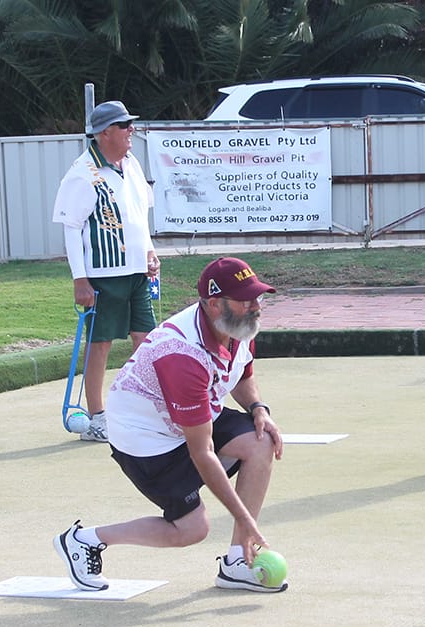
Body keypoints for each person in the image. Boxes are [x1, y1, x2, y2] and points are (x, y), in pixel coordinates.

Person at [54, 256, 288, 593]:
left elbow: (241, 375)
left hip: (184, 418)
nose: (255, 306)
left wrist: (257, 408)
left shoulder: (239, 325)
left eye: (257, 297)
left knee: (260, 439)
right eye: (245, 300)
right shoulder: (182, 355)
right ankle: (84, 540)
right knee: (192, 529)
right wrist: (245, 519)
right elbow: (202, 452)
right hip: (145, 440)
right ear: (213, 304)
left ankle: (237, 563)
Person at [52, 99, 161, 442]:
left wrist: (150, 253)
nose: (131, 131)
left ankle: (142, 408)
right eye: (124, 125)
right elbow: (71, 227)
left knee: (146, 340)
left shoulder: (131, 164)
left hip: (136, 272)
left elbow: (139, 215)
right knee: (100, 343)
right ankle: (98, 416)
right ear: (104, 133)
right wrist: (79, 279)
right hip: (104, 273)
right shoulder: (83, 173)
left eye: (130, 124)